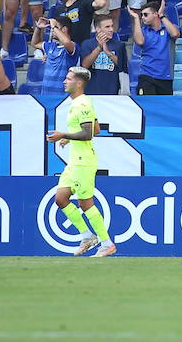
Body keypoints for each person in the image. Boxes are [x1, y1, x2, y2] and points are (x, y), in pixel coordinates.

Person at [47, 66, 116, 257]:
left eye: (68, 79)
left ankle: (107, 243)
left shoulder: (82, 104)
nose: (64, 81)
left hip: (83, 161)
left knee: (86, 203)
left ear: (78, 83)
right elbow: (96, 129)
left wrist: (64, 134)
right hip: (74, 161)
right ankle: (87, 236)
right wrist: (69, 138)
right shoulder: (79, 102)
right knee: (60, 199)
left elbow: (88, 134)